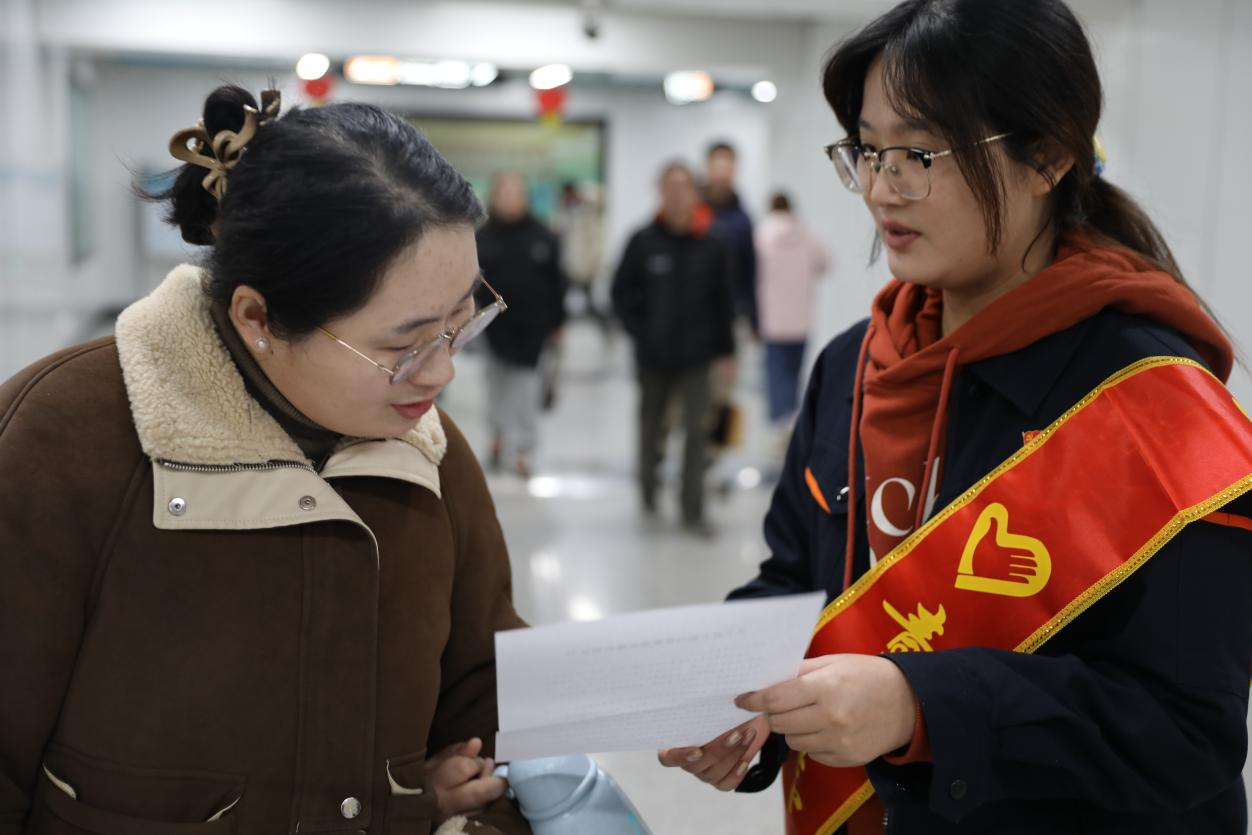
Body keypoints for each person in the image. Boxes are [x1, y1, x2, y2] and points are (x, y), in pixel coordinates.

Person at [658, 2, 1252, 833]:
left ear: (1048, 156)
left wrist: (921, 706)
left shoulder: (1153, 404)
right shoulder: (854, 365)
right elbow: (796, 578)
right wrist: (740, 700)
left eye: (919, 154)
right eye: (868, 150)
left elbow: (1186, 731)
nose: (880, 188)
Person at [0, 86, 531, 835]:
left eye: (460, 325)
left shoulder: (429, 457)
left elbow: (486, 703)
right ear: (257, 317)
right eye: (404, 345)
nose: (442, 372)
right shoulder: (65, 440)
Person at [611, 162, 736, 535]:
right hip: (653, 358)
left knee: (697, 432)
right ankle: (648, 493)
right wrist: (640, 332)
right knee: (651, 428)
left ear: (694, 193)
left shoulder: (712, 244)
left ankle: (692, 508)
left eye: (684, 187)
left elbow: (723, 303)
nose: (677, 194)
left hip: (697, 357)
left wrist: (726, 351)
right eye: (670, 187)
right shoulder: (643, 241)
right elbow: (620, 293)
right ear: (660, 191)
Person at [475, 172, 567, 478]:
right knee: (496, 385)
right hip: (492, 327)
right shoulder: (482, 237)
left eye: (516, 193)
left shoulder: (542, 236)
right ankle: (498, 438)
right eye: (505, 193)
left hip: (532, 329)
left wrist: (558, 324)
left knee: (526, 389)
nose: (510, 199)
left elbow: (557, 283)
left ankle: (524, 449)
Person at [754, 192, 830, 432]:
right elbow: (825, 263)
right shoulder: (806, 235)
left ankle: (778, 424)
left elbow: (752, 273)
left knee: (775, 375)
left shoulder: (761, 236)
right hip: (801, 318)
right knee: (794, 374)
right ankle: (791, 421)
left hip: (772, 318)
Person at [704, 141, 758, 334]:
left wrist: (755, 320)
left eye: (726, 167)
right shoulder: (691, 213)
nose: (722, 174)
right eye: (717, 167)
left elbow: (750, 269)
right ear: (707, 168)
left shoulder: (742, 220)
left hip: (733, 315)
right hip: (694, 315)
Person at [550, 180, 606, 327]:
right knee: (565, 303)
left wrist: (595, 262)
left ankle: (601, 329)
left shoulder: (588, 214)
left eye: (569, 195)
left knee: (592, 302)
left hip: (584, 267)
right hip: (565, 267)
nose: (567, 198)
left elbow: (595, 241)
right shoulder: (561, 213)